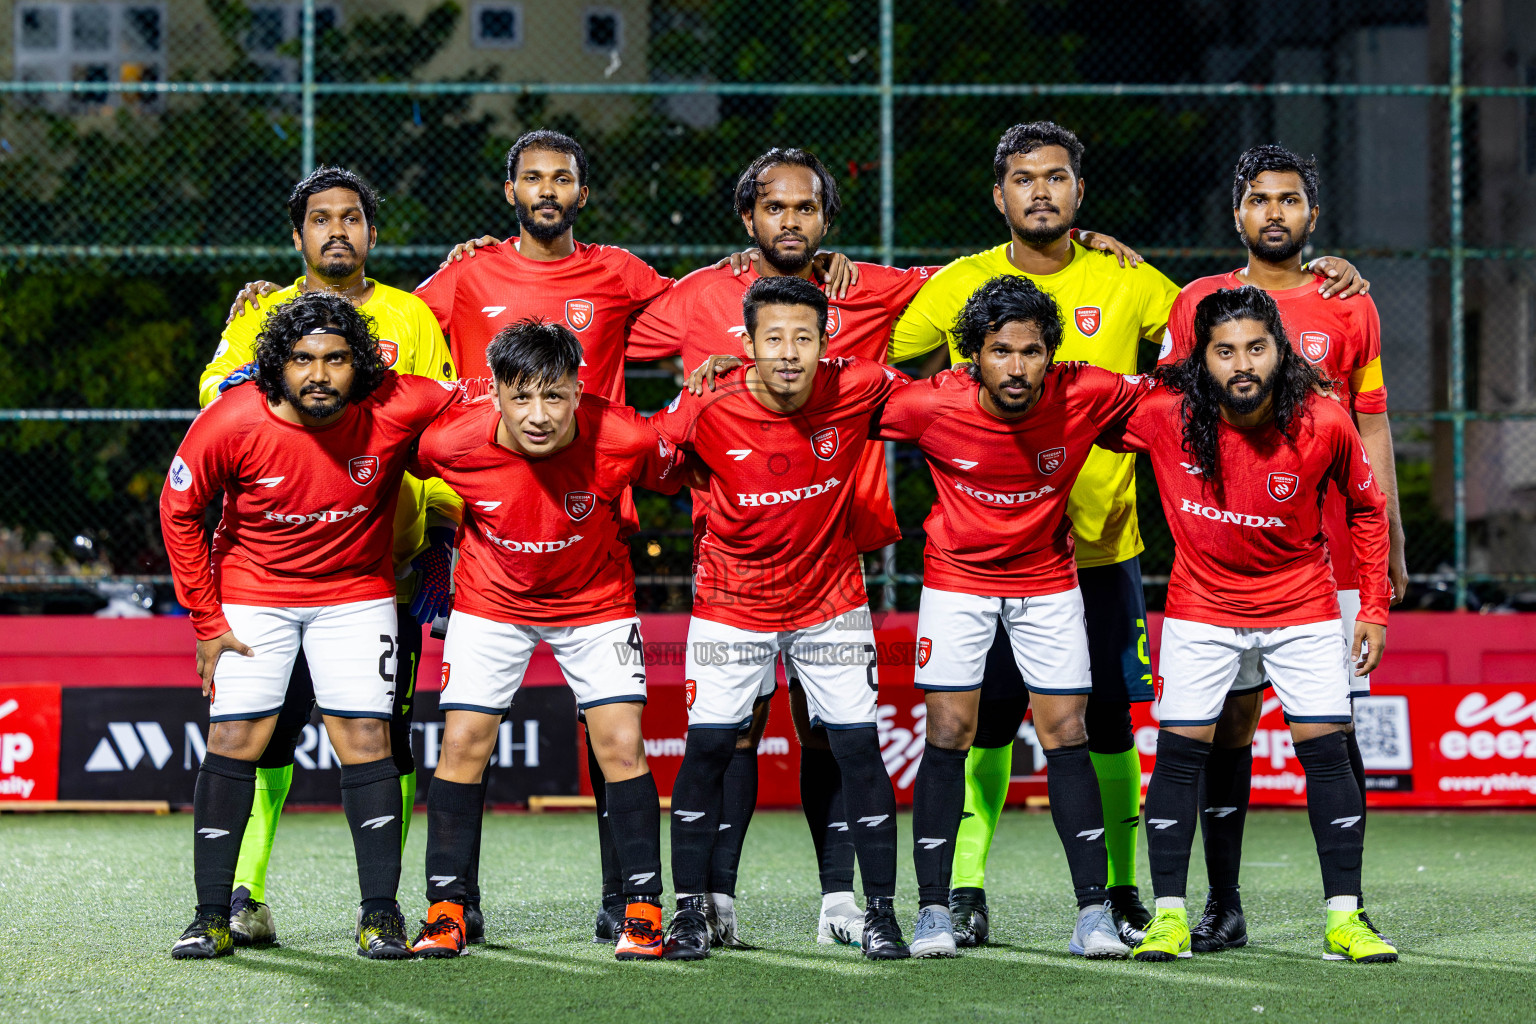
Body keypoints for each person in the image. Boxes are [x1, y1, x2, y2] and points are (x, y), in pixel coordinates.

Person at [631, 146, 1141, 947]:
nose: (790, 220)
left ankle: (846, 903)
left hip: (833, 554)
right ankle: (709, 904)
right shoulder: (696, 296)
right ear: (747, 217)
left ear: (827, 219)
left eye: (806, 208)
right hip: (728, 562)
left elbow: (979, 287)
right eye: (774, 207)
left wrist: (1078, 252)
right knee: (730, 736)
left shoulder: (866, 289)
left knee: (833, 736)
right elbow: (599, 337)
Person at [885, 121, 1371, 944]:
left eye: (1057, 177)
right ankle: (963, 890)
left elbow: (1219, 332)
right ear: (999, 195)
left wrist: (1316, 281)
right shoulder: (961, 283)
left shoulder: (1129, 277)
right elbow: (886, 354)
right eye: (1024, 179)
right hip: (990, 552)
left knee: (1104, 726)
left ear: (1080, 191)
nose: (1041, 192)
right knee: (982, 723)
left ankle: (1116, 892)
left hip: (1103, 549)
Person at [196, 165, 462, 948]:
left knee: (384, 742)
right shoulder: (261, 312)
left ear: (372, 232)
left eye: (351, 217)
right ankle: (243, 895)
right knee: (262, 738)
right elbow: (215, 398)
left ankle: (380, 906)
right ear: (298, 235)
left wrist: (440, 532)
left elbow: (444, 432)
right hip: (271, 577)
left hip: (383, 576)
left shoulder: (412, 316)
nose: (337, 230)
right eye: (321, 218)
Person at [1094, 285, 1396, 964]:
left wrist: (1373, 607)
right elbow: (1084, 410)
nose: (1242, 364)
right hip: (1202, 608)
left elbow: (1367, 510)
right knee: (1180, 755)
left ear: (1278, 350)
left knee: (1327, 751)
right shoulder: (1164, 412)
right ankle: (1170, 918)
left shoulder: (1323, 419)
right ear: (1200, 359)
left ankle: (1345, 918)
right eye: (1224, 351)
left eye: (1256, 348)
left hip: (1301, 606)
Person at [1160, 144, 1406, 951]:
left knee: (1332, 732)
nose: (1275, 212)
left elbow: (1371, 425)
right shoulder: (1199, 303)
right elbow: (1168, 413)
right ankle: (1222, 903)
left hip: (1326, 558)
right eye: (1260, 199)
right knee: (1227, 728)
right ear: (1237, 213)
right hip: (1226, 561)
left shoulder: (1349, 304)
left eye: (1290, 199)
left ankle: (1349, 907)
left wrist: (1391, 538)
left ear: (1312, 214)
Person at [876, 276, 1148, 959]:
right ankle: (934, 911)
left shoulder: (1083, 392)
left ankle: (1093, 915)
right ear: (974, 354)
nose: (1018, 367)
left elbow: (1176, 396)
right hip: (957, 580)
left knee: (1068, 732)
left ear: (1051, 353)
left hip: (1048, 579)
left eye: (1032, 351)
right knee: (949, 730)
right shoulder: (929, 403)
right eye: (1001, 351)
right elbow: (835, 398)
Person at [404, 318, 690, 961]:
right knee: (462, 745)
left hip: (595, 602)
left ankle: (643, 913)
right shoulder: (451, 441)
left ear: (579, 390)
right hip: (491, 602)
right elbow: (392, 457)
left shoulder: (622, 436)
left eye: (555, 395)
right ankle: (446, 913)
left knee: (622, 745)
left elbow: (682, 468)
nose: (539, 415)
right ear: (495, 393)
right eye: (522, 396)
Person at [647, 275, 910, 961]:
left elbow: (941, 404)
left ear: (826, 343)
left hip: (830, 601)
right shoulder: (708, 401)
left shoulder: (860, 385)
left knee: (858, 748)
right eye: (773, 339)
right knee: (709, 749)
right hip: (732, 603)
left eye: (803, 338)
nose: (789, 353)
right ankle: (690, 913)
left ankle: (880, 915)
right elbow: (647, 456)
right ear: (748, 344)